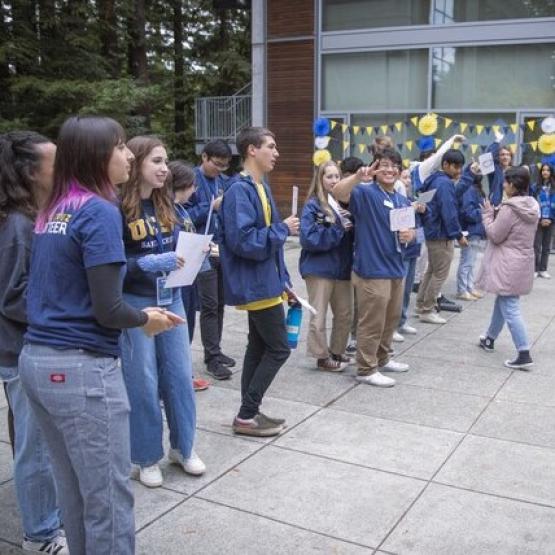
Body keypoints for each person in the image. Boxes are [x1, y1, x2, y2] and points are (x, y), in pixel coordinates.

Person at [19, 116, 179, 555]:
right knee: (107, 497)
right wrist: (146, 318)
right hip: (81, 371)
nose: (129, 155)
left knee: (73, 491)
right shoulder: (99, 210)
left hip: (37, 361)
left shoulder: (55, 209)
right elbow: (109, 310)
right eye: (121, 147)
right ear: (96, 155)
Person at [120, 136, 206, 488]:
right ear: (137, 161)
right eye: (156, 161)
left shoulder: (166, 203)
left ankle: (184, 447)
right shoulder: (115, 208)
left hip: (172, 297)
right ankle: (145, 456)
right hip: (136, 302)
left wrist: (197, 253)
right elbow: (107, 266)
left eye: (165, 161)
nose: (164, 168)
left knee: (179, 377)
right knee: (142, 382)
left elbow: (176, 249)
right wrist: (144, 264)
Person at [0, 131, 67, 554]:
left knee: (31, 438)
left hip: (24, 346)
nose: (62, 170)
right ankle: (40, 534)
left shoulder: (28, 215)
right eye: (54, 163)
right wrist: (67, 310)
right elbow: (13, 296)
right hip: (23, 349)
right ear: (30, 173)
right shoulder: (20, 225)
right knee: (36, 446)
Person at [219, 126, 299, 436]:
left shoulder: (259, 186)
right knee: (278, 349)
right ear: (252, 150)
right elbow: (243, 241)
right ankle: (246, 414)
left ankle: (248, 413)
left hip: (267, 281)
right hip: (257, 284)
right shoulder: (240, 190)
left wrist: (284, 281)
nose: (276, 153)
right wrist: (283, 229)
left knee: (258, 346)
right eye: (271, 146)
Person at [333, 149, 416, 388]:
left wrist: (410, 234)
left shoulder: (401, 199)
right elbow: (338, 192)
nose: (390, 170)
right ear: (376, 168)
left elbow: (408, 234)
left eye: (395, 166)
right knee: (371, 322)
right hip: (371, 269)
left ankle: (383, 358)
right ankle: (366, 368)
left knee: (391, 320)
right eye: (385, 165)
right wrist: (359, 176)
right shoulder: (364, 192)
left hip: (396, 268)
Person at [477, 167, 539, 369]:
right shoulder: (531, 205)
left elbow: (495, 234)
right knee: (503, 301)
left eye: (505, 182)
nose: (503, 185)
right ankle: (489, 338)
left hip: (507, 263)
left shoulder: (510, 209)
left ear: (513, 185)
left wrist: (487, 215)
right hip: (521, 261)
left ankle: (523, 352)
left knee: (510, 308)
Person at [186, 139, 235, 380]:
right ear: (204, 157)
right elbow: (182, 214)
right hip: (200, 250)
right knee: (208, 304)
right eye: (216, 164)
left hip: (220, 249)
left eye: (225, 165)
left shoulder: (224, 182)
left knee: (219, 303)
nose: (220, 169)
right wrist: (211, 207)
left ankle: (216, 349)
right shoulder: (190, 180)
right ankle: (212, 358)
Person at [299, 160, 353, 371]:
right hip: (319, 268)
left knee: (345, 313)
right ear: (320, 180)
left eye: (337, 176)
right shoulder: (313, 205)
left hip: (343, 267)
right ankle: (322, 357)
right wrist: (338, 228)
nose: (333, 180)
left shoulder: (347, 203)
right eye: (329, 176)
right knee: (318, 315)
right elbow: (309, 238)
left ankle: (337, 350)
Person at [168, 160, 211, 391]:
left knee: (189, 324)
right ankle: (178, 377)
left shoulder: (182, 209)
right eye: (192, 186)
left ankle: (185, 372)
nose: (194, 191)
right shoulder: (167, 210)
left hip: (189, 277)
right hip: (177, 280)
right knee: (178, 328)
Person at [416, 149, 469, 324]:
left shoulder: (433, 179)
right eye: (455, 166)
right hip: (441, 234)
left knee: (431, 271)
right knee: (439, 274)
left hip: (432, 231)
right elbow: (449, 211)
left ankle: (421, 305)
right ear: (445, 164)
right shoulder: (444, 183)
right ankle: (427, 309)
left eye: (461, 167)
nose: (458, 171)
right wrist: (458, 235)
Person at [396, 169, 426, 338]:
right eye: (404, 177)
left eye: (409, 178)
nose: (407, 181)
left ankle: (402, 321)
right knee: (399, 290)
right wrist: (411, 209)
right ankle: (392, 325)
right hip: (404, 250)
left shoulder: (412, 199)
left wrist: (422, 210)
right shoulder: (399, 201)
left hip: (414, 247)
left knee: (407, 290)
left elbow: (420, 225)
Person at [339, 156, 363, 355]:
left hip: (359, 256)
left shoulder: (363, 194)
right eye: (345, 177)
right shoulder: (337, 195)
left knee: (358, 304)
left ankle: (355, 337)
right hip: (340, 257)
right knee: (345, 307)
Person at [456, 172, 486, 300]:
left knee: (471, 262)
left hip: (476, 230)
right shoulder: (469, 190)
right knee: (467, 262)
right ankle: (462, 289)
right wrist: (483, 210)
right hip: (470, 230)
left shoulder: (476, 189)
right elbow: (468, 213)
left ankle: (469, 287)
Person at [532, 163, 554, 278]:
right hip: (538, 219)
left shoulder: (554, 187)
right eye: (543, 170)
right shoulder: (535, 187)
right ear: (540, 172)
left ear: (551, 173)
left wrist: (550, 218)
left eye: (548, 170)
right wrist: (540, 218)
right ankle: (535, 269)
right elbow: (532, 204)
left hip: (551, 219)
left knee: (546, 246)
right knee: (536, 245)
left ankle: (543, 269)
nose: (545, 172)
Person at [486, 131, 513, 206]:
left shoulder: (514, 171)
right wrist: (496, 142)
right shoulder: (494, 170)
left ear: (511, 157)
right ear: (498, 157)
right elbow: (487, 158)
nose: (505, 157)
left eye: (508, 155)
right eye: (502, 154)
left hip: (510, 206)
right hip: (495, 206)